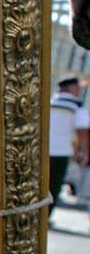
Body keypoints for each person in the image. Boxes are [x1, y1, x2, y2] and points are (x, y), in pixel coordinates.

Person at [49, 75, 88, 215]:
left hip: (40, 151)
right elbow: (82, 132)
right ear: (73, 88)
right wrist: (82, 152)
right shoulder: (77, 106)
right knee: (53, 186)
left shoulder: (49, 101)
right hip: (61, 152)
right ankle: (45, 216)